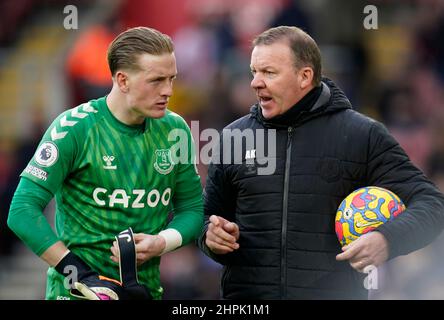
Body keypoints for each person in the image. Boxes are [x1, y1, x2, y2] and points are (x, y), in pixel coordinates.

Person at [197, 26, 444, 299]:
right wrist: (211, 236)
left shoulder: (362, 135)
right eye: (254, 72)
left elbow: (433, 206)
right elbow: (206, 217)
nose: (255, 82)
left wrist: (387, 239)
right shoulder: (234, 136)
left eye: (269, 72)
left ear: (305, 77)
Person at [8, 27, 203, 300]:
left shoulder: (176, 130)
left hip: (144, 292)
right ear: (123, 80)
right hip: (76, 294)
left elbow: (192, 209)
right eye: (156, 80)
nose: (168, 90)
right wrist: (78, 274)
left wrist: (161, 242)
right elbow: (21, 211)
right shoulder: (73, 129)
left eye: (172, 78)